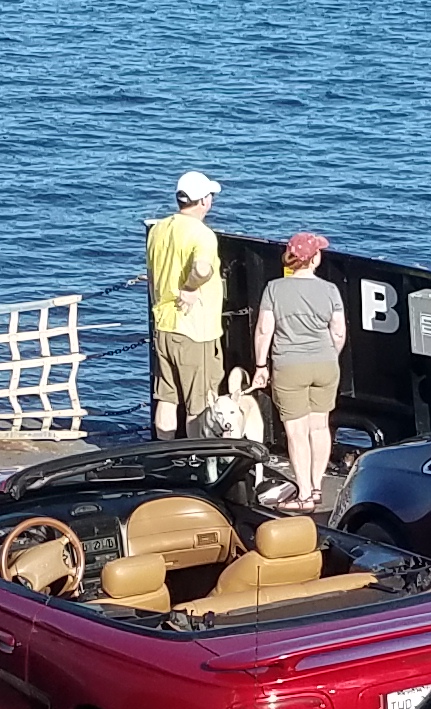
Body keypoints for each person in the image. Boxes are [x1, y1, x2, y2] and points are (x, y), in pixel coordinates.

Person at [249, 231, 347, 504]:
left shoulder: (274, 288)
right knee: (320, 427)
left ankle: (304, 494)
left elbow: (264, 330)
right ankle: (317, 487)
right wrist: (330, 355)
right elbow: (338, 332)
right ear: (314, 259)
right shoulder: (330, 290)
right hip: (325, 364)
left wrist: (260, 366)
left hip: (289, 366)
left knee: (296, 432)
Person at [146, 170, 226, 436]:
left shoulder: (158, 229)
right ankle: (195, 457)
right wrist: (190, 287)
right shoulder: (202, 234)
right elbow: (202, 268)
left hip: (164, 324)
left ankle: (165, 451)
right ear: (203, 201)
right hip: (195, 330)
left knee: (167, 397)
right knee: (198, 404)